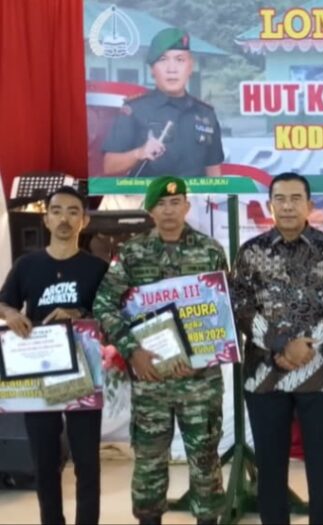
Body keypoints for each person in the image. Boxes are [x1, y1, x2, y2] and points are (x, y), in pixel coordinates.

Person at [92, 176, 227, 525]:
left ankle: (208, 519)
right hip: (151, 378)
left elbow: (221, 311)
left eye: (175, 202)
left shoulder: (210, 251)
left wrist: (200, 356)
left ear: (187, 205)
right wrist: (131, 350)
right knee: (150, 461)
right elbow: (104, 304)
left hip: (199, 380)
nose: (169, 210)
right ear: (150, 210)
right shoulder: (133, 253)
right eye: (161, 204)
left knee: (205, 460)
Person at [230, 172, 323, 525]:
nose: (287, 206)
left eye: (295, 198)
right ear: (270, 206)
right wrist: (281, 347)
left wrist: (305, 347)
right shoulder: (250, 253)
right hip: (265, 374)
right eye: (279, 199)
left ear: (309, 206)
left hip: (321, 375)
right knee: (270, 468)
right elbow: (242, 308)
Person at [0, 186, 108, 525]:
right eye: (57, 211)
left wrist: (79, 315)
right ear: (46, 219)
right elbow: (4, 302)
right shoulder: (27, 265)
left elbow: (110, 315)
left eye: (73, 211)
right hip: (39, 376)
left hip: (83, 375)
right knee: (45, 463)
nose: (65, 218)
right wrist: (11, 315)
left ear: (84, 220)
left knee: (87, 464)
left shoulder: (97, 268)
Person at [102, 27, 224, 178]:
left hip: (194, 201)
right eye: (163, 60)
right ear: (152, 69)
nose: (171, 69)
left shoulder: (206, 113)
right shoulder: (135, 110)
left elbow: (213, 171)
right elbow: (109, 165)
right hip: (147, 200)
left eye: (179, 60)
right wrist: (139, 153)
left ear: (190, 67)